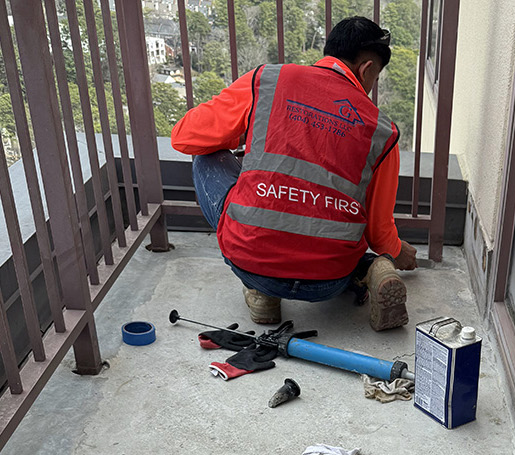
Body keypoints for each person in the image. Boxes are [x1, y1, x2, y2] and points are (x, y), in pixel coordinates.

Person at [170, 17, 418, 330]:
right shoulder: (383, 131)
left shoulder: (267, 80)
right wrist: (398, 252)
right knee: (352, 251)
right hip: (328, 282)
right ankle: (372, 269)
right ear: (366, 69)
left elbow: (184, 137)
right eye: (374, 78)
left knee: (204, 157)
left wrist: (246, 134)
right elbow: (378, 232)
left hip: (251, 263)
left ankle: (261, 292)